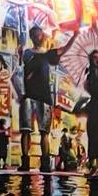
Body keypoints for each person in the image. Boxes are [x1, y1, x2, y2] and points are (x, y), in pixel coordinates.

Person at [19, 22, 79, 171]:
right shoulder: (27, 53)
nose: (38, 36)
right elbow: (24, 61)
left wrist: (75, 36)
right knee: (26, 130)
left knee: (44, 132)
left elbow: (64, 50)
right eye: (36, 34)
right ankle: (25, 162)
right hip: (28, 95)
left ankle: (45, 164)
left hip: (45, 97)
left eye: (40, 34)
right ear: (32, 37)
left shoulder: (48, 54)